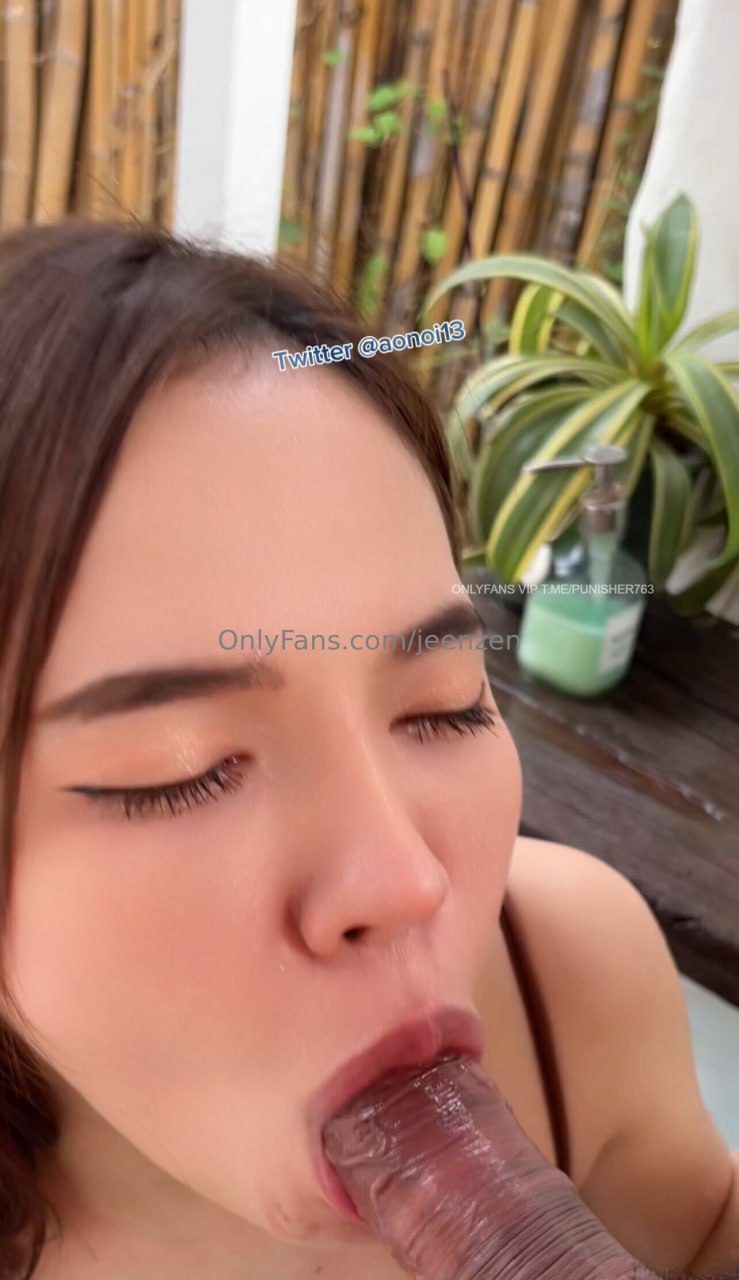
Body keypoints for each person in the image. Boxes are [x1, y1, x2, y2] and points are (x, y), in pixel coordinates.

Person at [0, 217, 736, 1280]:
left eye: (443, 706)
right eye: (185, 769)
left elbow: (701, 1228)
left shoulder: (571, 975)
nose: (407, 879)